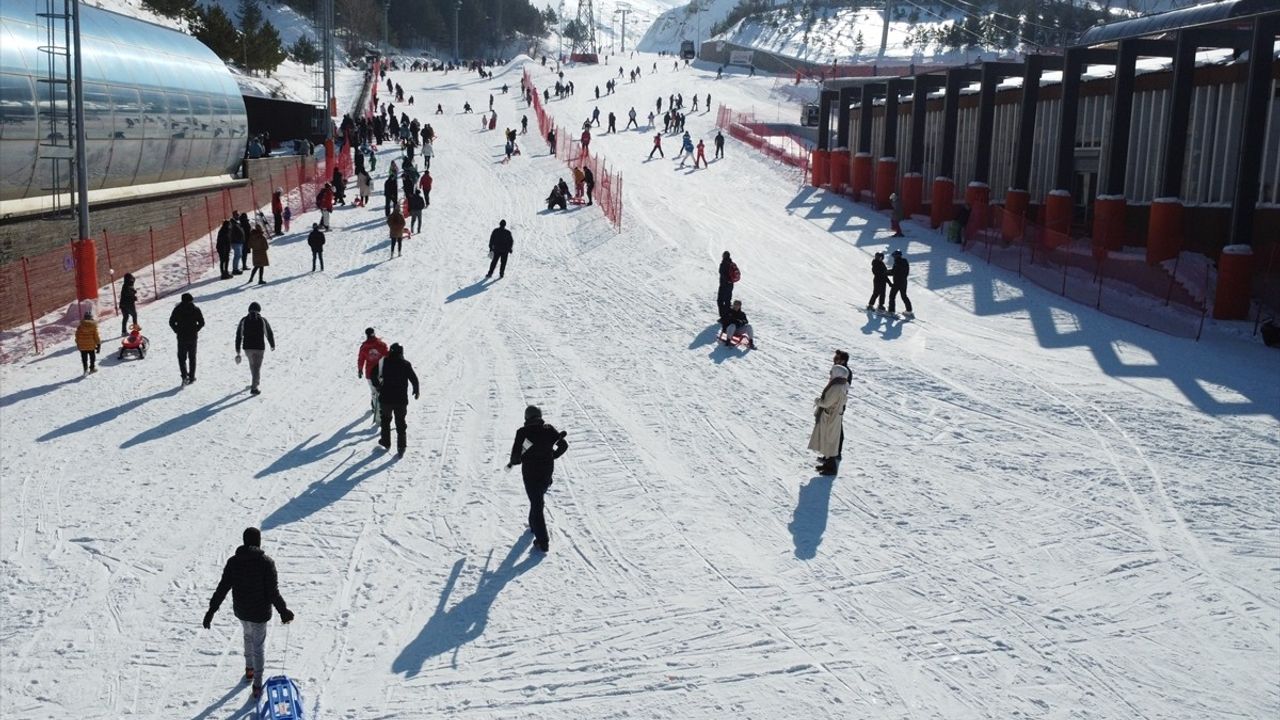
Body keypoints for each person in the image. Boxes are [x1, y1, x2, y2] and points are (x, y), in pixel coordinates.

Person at [202, 527, 294, 700]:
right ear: (258, 542)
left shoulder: (233, 562)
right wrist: (283, 611)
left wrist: (211, 610)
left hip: (242, 611)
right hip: (260, 613)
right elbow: (272, 592)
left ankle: (249, 669)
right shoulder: (266, 562)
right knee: (258, 646)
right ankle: (257, 685)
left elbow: (222, 588)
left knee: (247, 636)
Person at [506, 405, 568, 553]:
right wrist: (552, 455)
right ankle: (533, 525)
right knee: (536, 500)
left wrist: (515, 461)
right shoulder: (549, 430)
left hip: (531, 475)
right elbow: (563, 445)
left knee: (537, 503)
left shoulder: (523, 433)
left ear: (526, 418)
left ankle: (543, 541)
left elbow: (516, 457)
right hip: (547, 474)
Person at [371, 342, 419, 456]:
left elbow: (373, 374)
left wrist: (377, 386)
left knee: (385, 421)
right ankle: (401, 447)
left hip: (386, 398)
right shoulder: (405, 364)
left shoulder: (383, 362)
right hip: (400, 400)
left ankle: (386, 442)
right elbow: (413, 378)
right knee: (400, 422)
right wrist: (416, 389)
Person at [809, 362, 849, 476]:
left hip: (830, 416)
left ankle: (831, 468)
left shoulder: (836, 387)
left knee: (830, 439)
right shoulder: (843, 384)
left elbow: (826, 403)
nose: (830, 374)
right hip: (835, 415)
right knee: (829, 439)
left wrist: (817, 401)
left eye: (832, 372)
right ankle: (827, 464)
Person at [235, 301, 275, 395]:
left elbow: (238, 335)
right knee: (257, 367)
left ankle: (254, 382)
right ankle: (254, 387)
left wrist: (238, 349)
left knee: (253, 366)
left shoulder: (244, 320)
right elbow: (268, 333)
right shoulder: (262, 320)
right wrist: (272, 344)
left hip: (247, 348)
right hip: (259, 347)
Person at [168, 292, 205, 385]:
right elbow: (202, 322)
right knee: (192, 357)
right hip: (192, 337)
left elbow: (171, 322)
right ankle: (192, 377)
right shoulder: (195, 309)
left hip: (181, 337)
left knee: (181, 357)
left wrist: (177, 330)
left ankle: (184, 376)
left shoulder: (177, 309)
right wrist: (196, 329)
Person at [356, 328, 389, 425]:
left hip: (370, 373)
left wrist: (360, 369)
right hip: (381, 372)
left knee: (374, 391)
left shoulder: (364, 347)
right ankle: (380, 406)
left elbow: (361, 359)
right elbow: (387, 354)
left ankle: (375, 406)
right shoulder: (381, 344)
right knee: (382, 390)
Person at [75, 309, 101, 375]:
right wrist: (98, 345)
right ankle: (92, 368)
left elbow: (77, 336)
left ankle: (85, 369)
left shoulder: (80, 326)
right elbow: (96, 336)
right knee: (92, 357)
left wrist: (78, 343)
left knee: (84, 358)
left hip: (82, 346)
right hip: (91, 345)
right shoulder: (93, 326)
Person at [888, 250, 913, 318]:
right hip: (904, 282)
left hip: (897, 282)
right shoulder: (905, 261)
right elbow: (905, 272)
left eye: (894, 256)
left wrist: (885, 272)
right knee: (904, 296)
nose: (893, 258)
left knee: (892, 296)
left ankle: (891, 311)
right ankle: (909, 310)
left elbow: (894, 272)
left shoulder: (897, 262)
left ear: (896, 256)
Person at [717, 251, 737, 317]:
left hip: (723, 285)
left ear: (724, 256)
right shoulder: (732, 263)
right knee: (728, 300)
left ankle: (723, 316)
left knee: (720, 300)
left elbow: (722, 273)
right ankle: (728, 315)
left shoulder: (723, 264)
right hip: (730, 285)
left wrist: (726, 281)